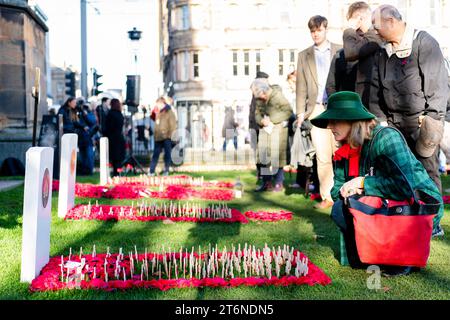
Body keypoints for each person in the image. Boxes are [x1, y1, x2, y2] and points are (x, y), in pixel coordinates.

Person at [310, 91, 444, 276]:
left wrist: (363, 183)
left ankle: (401, 256)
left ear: (353, 120)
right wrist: (352, 194)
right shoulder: (343, 149)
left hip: (417, 206)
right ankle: (374, 251)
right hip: (379, 206)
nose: (330, 126)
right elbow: (336, 191)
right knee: (339, 209)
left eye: (335, 120)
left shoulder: (386, 137)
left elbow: (405, 187)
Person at [369, 5, 448, 236]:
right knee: (397, 172)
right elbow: (375, 90)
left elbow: (437, 84)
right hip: (393, 124)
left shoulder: (424, 42)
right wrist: (381, 120)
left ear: (391, 21)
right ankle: (406, 218)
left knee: (427, 171)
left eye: (377, 26)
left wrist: (433, 119)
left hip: (422, 122)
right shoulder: (382, 51)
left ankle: (433, 224)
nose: (374, 31)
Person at [296, 15, 341, 209]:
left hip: (338, 109)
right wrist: (300, 112)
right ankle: (327, 196)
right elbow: (301, 86)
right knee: (322, 156)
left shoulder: (340, 50)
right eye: (312, 31)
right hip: (316, 110)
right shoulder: (304, 55)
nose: (315, 34)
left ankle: (344, 194)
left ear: (325, 29)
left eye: (318, 30)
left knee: (340, 152)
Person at [251, 79, 293, 192]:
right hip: (265, 129)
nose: (261, 98)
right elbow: (257, 114)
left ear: (265, 91)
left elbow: (288, 111)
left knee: (278, 157)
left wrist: (272, 120)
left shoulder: (277, 96)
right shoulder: (259, 98)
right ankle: (266, 182)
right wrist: (261, 121)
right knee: (263, 156)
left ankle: (279, 183)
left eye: (262, 95)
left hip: (278, 129)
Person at [342, 1, 383, 106]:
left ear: (359, 19)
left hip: (374, 103)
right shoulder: (369, 36)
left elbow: (350, 53)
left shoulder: (374, 35)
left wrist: (349, 29)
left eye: (351, 21)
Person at [249, 71, 270, 182]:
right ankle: (260, 175)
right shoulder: (255, 92)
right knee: (257, 153)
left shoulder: (265, 93)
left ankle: (265, 177)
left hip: (262, 126)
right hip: (254, 126)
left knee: (264, 153)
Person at [149, 97, 177, 176]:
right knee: (155, 155)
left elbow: (173, 125)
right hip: (158, 137)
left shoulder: (169, 111)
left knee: (167, 155)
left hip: (166, 137)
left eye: (158, 104)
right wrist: (153, 111)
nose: (157, 106)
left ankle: (166, 170)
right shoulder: (158, 112)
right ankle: (151, 171)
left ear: (162, 103)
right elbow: (153, 119)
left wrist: (171, 135)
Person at [104, 99, 126, 177]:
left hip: (112, 138)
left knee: (114, 158)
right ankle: (118, 172)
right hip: (119, 138)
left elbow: (108, 127)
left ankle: (115, 173)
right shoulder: (120, 114)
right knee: (118, 158)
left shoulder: (110, 114)